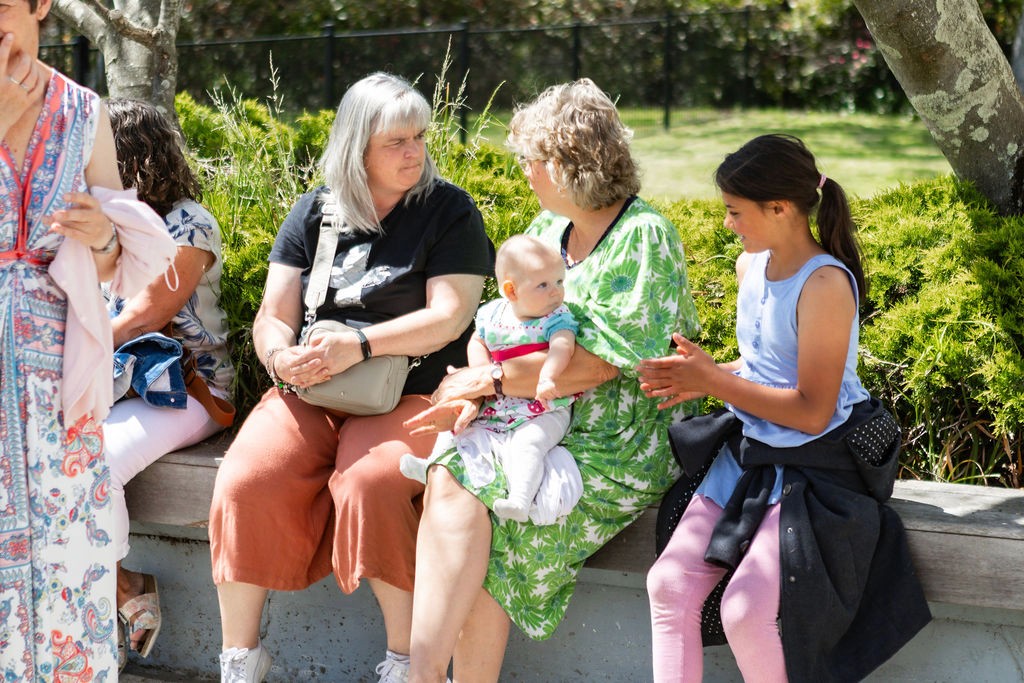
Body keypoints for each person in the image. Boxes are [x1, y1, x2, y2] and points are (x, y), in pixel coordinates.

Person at [402, 78, 702, 682]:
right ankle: (425, 672)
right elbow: (505, 324)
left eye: (531, 161)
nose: (525, 173)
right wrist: (477, 386)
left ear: (568, 164)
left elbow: (599, 365)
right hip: (531, 421)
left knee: (491, 525)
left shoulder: (644, 237)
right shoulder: (546, 229)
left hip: (619, 444)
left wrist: (483, 382)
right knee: (448, 476)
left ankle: (427, 675)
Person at [207, 71, 494, 683]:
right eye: (395, 141)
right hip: (316, 387)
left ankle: (404, 663)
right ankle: (241, 658)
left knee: (371, 485)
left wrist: (358, 345)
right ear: (355, 144)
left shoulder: (448, 210)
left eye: (419, 137)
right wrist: (280, 356)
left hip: (414, 388)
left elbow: (450, 317)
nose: (414, 151)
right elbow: (273, 314)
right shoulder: (317, 209)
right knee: (245, 479)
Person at [640, 134, 930, 682]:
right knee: (669, 584)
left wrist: (716, 383)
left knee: (746, 610)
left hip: (819, 467)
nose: (728, 224)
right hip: (754, 453)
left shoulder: (823, 284)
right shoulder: (750, 267)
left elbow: (814, 412)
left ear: (780, 208)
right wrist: (703, 376)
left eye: (735, 211)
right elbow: (764, 371)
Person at [0, 2, 177, 680]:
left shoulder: (83, 112)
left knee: (63, 560)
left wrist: (104, 239)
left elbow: (115, 257)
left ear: (41, 4)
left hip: (57, 383)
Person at [102, 97, 235, 667]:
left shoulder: (188, 223)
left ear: (129, 154)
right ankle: (115, 588)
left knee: (92, 460)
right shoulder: (98, 221)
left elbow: (144, 318)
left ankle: (114, 593)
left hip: (186, 388)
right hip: (111, 383)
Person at [400, 234, 579, 523]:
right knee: (457, 427)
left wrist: (548, 375)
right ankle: (430, 465)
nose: (556, 292)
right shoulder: (493, 314)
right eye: (544, 285)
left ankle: (520, 500)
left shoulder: (556, 316)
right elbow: (478, 342)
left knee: (529, 443)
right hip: (500, 400)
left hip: (545, 406)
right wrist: (480, 375)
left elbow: (563, 345)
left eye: (559, 282)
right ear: (511, 291)